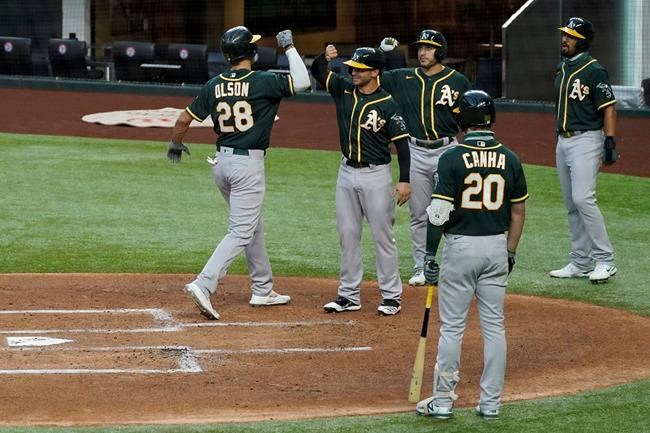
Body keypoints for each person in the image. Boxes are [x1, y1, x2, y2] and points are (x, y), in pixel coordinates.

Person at [167, 26, 311, 320]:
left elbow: (183, 119)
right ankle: (204, 284)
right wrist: (289, 47)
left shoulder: (214, 84)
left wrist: (176, 143)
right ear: (251, 53)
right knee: (241, 230)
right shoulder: (263, 81)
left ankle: (262, 288)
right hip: (247, 166)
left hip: (220, 164)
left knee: (252, 226)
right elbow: (304, 82)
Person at [415, 90, 528, 420]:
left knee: (452, 328)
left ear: (462, 120)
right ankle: (490, 403)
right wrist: (510, 251)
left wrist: (429, 256)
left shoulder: (451, 157)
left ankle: (443, 401)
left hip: (462, 248)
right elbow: (518, 212)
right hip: (496, 246)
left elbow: (438, 213)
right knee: (495, 327)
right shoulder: (510, 157)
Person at [310, 45, 411, 316]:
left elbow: (402, 145)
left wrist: (404, 180)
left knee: (382, 236)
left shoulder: (388, 104)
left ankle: (391, 296)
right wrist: (324, 57)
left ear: (375, 72)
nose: (353, 72)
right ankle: (348, 294)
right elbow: (317, 71)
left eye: (360, 69)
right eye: (352, 68)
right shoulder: (343, 90)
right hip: (346, 173)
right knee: (348, 234)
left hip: (376, 175)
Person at [378, 31, 471, 287]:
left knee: (452, 212)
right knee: (419, 213)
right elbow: (371, 75)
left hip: (448, 150)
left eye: (429, 48)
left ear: (440, 51)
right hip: (415, 151)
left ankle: (454, 267)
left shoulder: (458, 81)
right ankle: (422, 266)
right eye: (420, 48)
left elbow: (468, 117)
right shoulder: (403, 77)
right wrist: (382, 52)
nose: (422, 52)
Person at [549, 17, 618, 283]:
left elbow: (609, 107)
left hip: (586, 139)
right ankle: (580, 261)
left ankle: (605, 260)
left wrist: (609, 141)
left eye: (571, 37)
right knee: (571, 204)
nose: (565, 40)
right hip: (563, 141)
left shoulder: (594, 70)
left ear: (583, 41)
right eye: (564, 35)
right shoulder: (562, 68)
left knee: (583, 199)